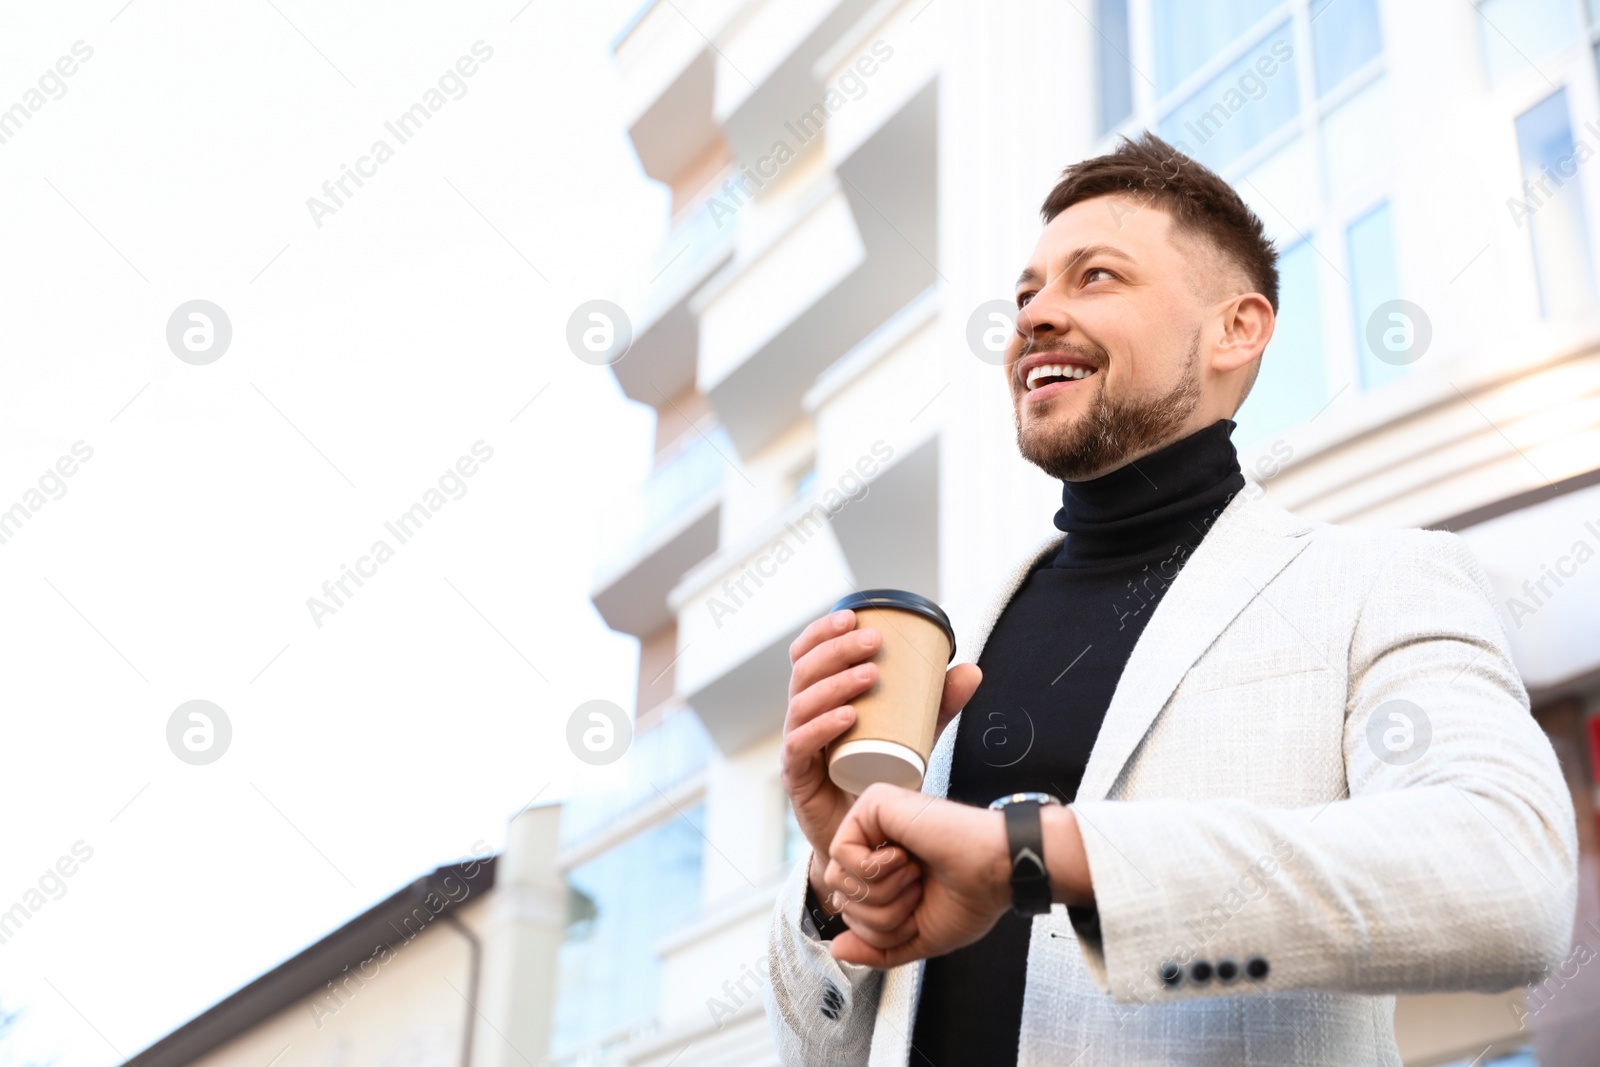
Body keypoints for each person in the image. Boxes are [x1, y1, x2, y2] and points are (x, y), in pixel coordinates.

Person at [762, 131, 1578, 1066]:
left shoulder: (1381, 581)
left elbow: (1508, 873)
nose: (1033, 317)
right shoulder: (951, 649)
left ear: (1239, 327)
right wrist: (834, 881)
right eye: (1026, 294)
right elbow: (817, 1049)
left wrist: (1038, 853)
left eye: (1095, 277)